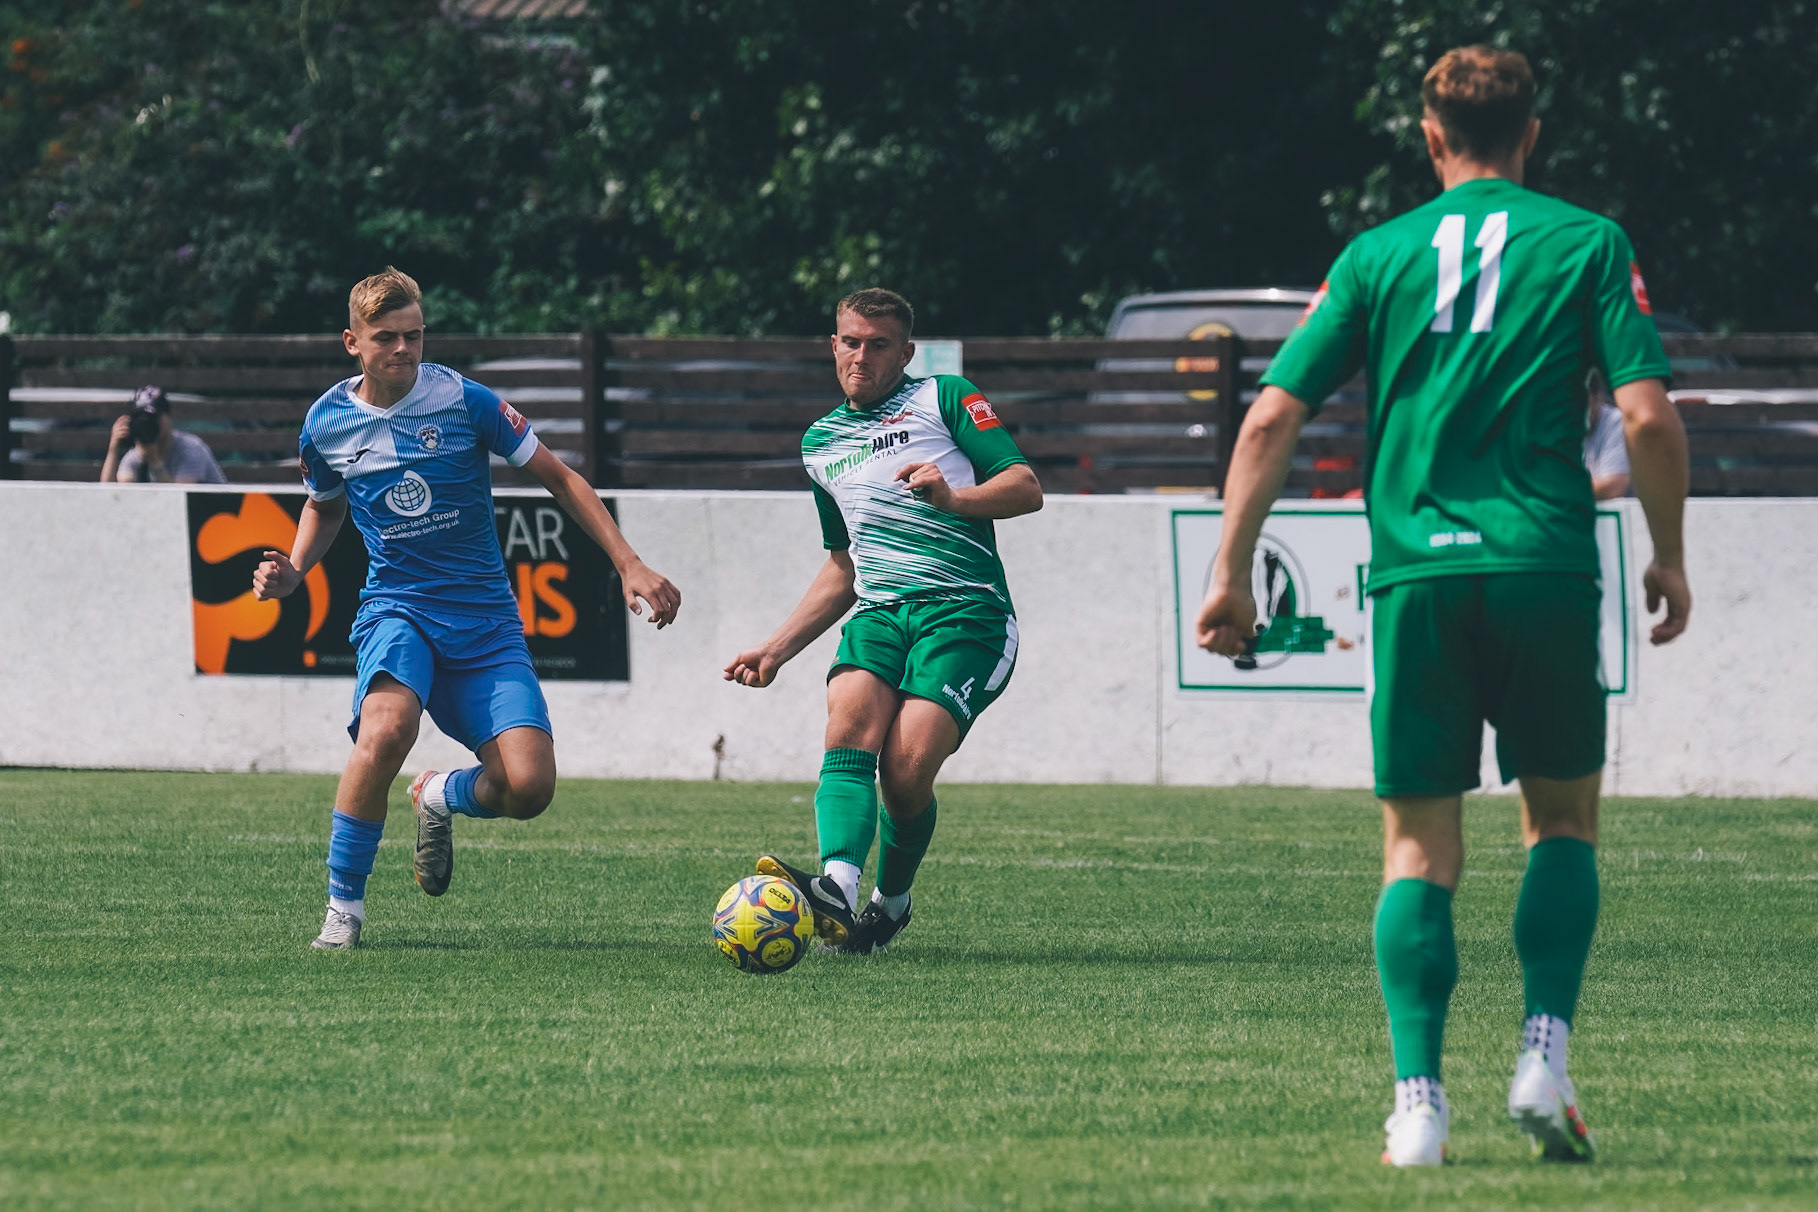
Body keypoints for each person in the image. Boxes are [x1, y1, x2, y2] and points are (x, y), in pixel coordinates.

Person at [1194, 47, 1691, 1166]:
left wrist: (1231, 568)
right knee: (1561, 823)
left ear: (1429, 136)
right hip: (1545, 565)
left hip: (1416, 576)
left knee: (1418, 848)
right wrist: (1669, 555)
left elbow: (1270, 417)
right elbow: (1649, 419)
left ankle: (1418, 1108)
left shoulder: (1376, 254)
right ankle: (1544, 1057)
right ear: (1532, 133)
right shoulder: (1589, 242)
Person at [252, 267, 681, 951]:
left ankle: (438, 794)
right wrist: (296, 571)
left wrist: (629, 562)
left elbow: (561, 479)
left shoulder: (463, 399)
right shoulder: (325, 424)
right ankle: (344, 908)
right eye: (386, 337)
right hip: (398, 609)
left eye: (414, 335)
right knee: (386, 729)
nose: (403, 349)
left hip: (485, 622)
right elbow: (324, 507)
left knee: (529, 787)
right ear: (352, 343)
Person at [724, 288, 1041, 954]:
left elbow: (1025, 487)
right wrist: (777, 649)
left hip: (966, 611)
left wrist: (953, 498)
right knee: (848, 726)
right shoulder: (819, 443)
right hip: (879, 612)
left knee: (904, 768)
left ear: (905, 353)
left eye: (877, 345)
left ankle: (889, 903)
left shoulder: (946, 398)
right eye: (850, 341)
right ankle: (837, 888)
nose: (861, 356)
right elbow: (843, 565)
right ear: (833, 344)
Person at [100, 385, 227, 484]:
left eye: (153, 418)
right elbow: (112, 495)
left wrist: (154, 462)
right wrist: (113, 448)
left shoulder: (191, 449)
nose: (148, 424)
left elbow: (179, 501)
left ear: (168, 417)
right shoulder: (137, 455)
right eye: (141, 419)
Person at [1583, 371, 1632, 499]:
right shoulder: (1555, 424)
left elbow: (1613, 486)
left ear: (1598, 398)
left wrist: (1557, 489)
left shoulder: (1617, 422)